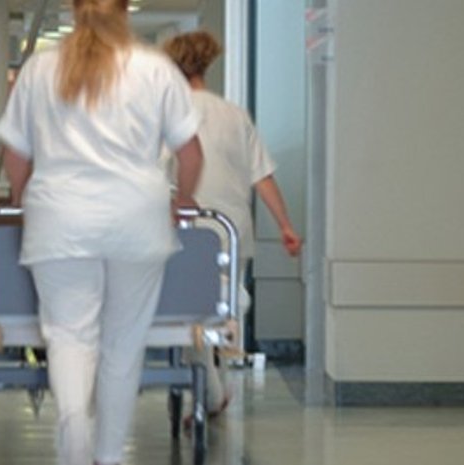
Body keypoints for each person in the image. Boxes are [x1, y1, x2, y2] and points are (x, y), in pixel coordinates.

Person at [0, 0, 204, 464]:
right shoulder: (155, 69)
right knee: (123, 346)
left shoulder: (39, 70)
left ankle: (74, 436)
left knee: (69, 337)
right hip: (137, 221)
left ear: (74, 10)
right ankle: (108, 456)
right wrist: (183, 200)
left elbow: (15, 154)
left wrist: (21, 197)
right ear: (126, 10)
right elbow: (190, 155)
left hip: (59, 220)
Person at [162, 30, 302, 417]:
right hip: (232, 230)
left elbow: (157, 171)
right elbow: (262, 176)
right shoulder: (235, 115)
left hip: (189, 227)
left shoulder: (168, 113)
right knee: (219, 310)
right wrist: (286, 226)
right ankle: (216, 385)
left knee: (189, 312)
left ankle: (210, 390)